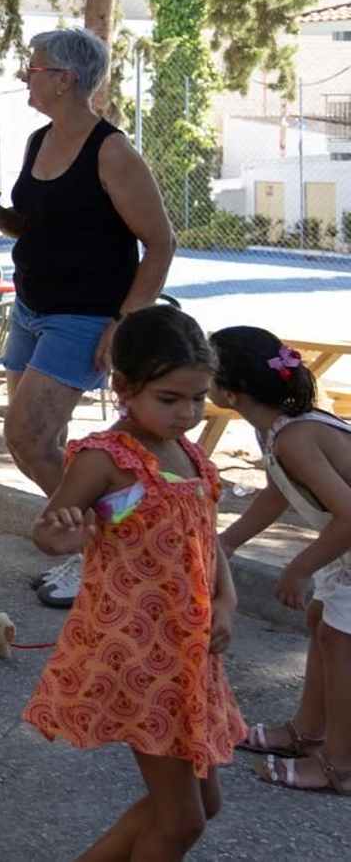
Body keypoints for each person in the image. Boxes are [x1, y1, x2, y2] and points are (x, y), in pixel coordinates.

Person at [24, 306, 243, 858]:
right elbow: (50, 531)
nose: (187, 414)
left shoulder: (188, 453)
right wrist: (66, 534)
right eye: (170, 399)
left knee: (203, 806)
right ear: (123, 386)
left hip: (188, 653)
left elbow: (205, 535)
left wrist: (227, 599)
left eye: (197, 399)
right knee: (180, 823)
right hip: (141, 653)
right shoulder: (108, 459)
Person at [0, 27, 176, 609]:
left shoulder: (112, 151)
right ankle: (99, 537)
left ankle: (100, 547)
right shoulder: (38, 140)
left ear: (66, 80)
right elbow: (35, 222)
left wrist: (124, 321)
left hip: (85, 314)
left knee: (28, 434)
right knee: (35, 443)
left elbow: (161, 243)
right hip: (30, 307)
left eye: (34, 66)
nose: (26, 75)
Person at [212, 326, 351, 795]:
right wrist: (227, 543)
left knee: (340, 639)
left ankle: (340, 766)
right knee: (322, 623)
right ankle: (307, 733)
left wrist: (299, 567)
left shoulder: (295, 436)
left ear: (229, 391)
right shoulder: (272, 429)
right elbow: (278, 494)